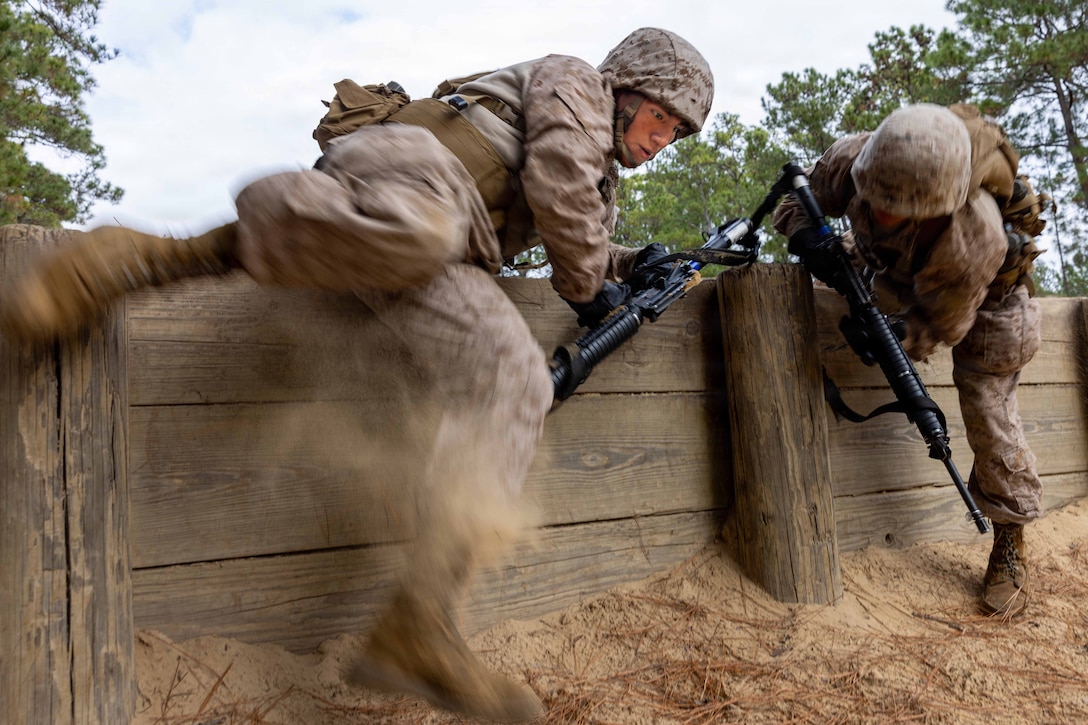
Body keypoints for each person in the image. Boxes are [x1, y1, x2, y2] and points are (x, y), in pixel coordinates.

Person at [0, 28, 714, 722]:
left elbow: (580, 223)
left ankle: (420, 622)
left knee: (517, 379)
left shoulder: (602, 171)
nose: (662, 139)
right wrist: (592, 287)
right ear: (623, 87)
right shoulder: (575, 83)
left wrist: (632, 261)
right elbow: (559, 181)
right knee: (420, 226)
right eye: (659, 116)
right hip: (405, 179)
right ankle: (139, 258)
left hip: (437, 255)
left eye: (677, 134)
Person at [774, 103, 1051, 620]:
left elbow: (942, 324)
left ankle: (1010, 538)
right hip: (893, 268)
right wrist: (804, 235)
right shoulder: (856, 160)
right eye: (875, 199)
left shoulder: (975, 233)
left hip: (986, 298)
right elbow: (795, 196)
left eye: (897, 208)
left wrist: (899, 334)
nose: (880, 211)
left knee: (988, 409)